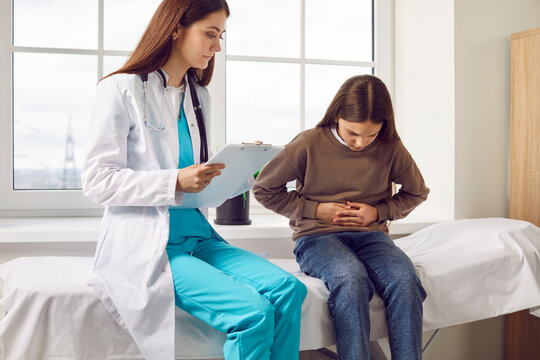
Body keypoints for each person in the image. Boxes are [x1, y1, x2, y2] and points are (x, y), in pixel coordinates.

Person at [82, 1, 307, 359]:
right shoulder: (120, 89)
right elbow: (97, 181)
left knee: (288, 290)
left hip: (198, 236)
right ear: (175, 28)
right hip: (152, 246)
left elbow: (202, 186)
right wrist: (173, 181)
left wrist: (244, 170)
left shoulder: (199, 96)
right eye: (210, 34)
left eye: (221, 36)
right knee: (252, 313)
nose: (217, 46)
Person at [253, 74, 429, 360]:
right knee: (350, 279)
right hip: (316, 238)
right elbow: (264, 189)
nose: (361, 142)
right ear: (336, 116)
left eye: (370, 135)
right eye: (352, 133)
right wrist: (315, 209)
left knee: (405, 280)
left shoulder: (391, 147)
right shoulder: (308, 143)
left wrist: (378, 212)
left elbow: (416, 192)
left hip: (372, 237)